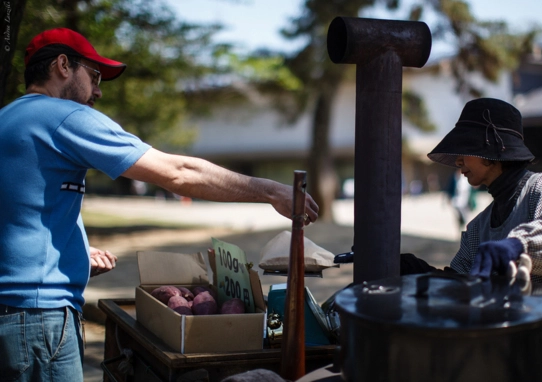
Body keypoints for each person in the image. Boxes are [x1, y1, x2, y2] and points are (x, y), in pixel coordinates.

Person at [0, 28, 319, 382]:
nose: (99, 90)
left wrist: (72, 252)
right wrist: (271, 190)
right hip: (36, 319)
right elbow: (178, 173)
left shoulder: (10, 119)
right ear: (62, 65)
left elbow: (24, 210)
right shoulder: (63, 116)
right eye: (94, 76)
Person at [419, 98, 542, 381]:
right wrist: (423, 274)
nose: (459, 161)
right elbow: (463, 282)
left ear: (490, 151)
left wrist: (518, 245)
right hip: (528, 364)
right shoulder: (479, 226)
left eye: (465, 150)